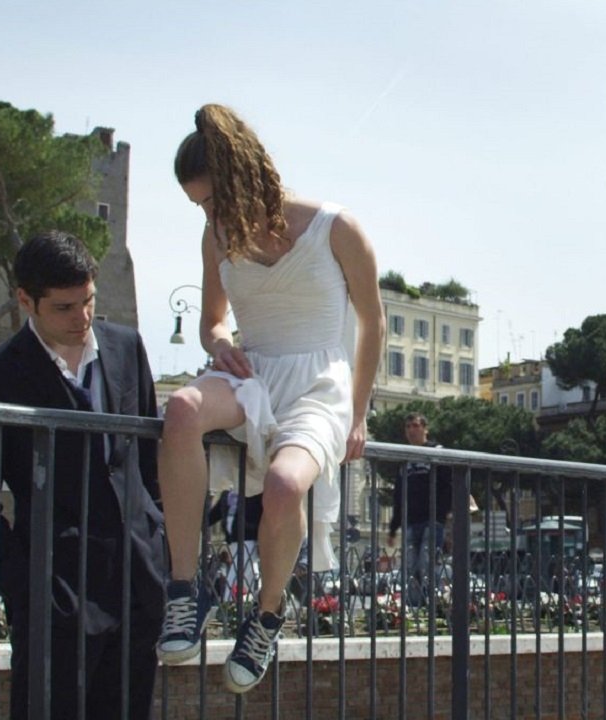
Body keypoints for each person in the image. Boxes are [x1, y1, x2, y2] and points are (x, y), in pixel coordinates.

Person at [157, 103, 384, 694]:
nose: (208, 215)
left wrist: (358, 415)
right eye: (200, 206)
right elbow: (212, 321)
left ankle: (266, 616)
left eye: (211, 200)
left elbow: (373, 323)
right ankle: (184, 590)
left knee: (285, 486)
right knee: (180, 409)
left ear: (240, 177)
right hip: (253, 369)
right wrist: (220, 343)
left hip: (320, 384)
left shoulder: (336, 227)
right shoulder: (216, 235)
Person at [0, 230, 165, 720]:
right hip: (55, 594)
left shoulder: (127, 347)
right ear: (25, 300)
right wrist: (27, 586)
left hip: (138, 583)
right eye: (65, 307)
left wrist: (161, 549)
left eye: (89, 300)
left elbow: (149, 467)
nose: (83, 318)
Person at [386, 413, 453, 606]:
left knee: (427, 564)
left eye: (415, 426)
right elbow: (398, 495)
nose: (411, 430)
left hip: (433, 519)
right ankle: (415, 607)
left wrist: (446, 514)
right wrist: (393, 529)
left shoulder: (437, 451)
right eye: (408, 427)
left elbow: (448, 485)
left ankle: (432, 605)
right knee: (409, 567)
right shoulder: (405, 458)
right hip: (410, 521)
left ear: (425, 429)